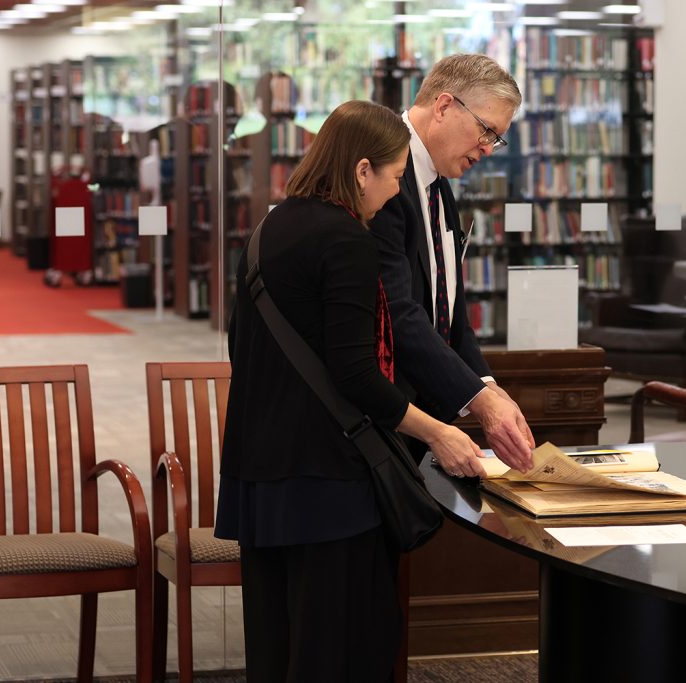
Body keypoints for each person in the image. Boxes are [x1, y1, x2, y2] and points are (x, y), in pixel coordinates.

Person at [214, 100, 488, 682]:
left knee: (276, 641)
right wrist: (438, 431)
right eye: (392, 178)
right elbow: (358, 375)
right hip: (326, 480)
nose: (394, 195)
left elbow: (243, 348)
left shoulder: (270, 226)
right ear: (362, 170)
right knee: (346, 643)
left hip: (258, 469)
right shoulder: (347, 240)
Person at [370, 53, 535, 473]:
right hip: (380, 425)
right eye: (487, 131)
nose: (488, 149)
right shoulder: (382, 177)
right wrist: (480, 402)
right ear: (444, 106)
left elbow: (449, 308)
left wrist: (488, 387)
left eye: (497, 139)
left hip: (419, 423)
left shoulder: (439, 182)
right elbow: (396, 310)